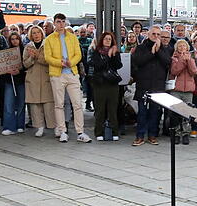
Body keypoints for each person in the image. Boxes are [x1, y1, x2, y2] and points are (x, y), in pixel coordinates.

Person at [44, 13, 91, 143]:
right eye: (58, 21)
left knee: (77, 103)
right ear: (54, 23)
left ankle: (80, 132)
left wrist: (72, 62)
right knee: (59, 104)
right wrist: (60, 62)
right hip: (57, 74)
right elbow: (48, 57)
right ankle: (62, 130)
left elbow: (78, 54)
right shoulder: (49, 39)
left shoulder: (72, 37)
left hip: (72, 73)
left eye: (63, 21)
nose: (61, 24)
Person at [131, 25, 172, 146]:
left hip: (158, 86)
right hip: (143, 84)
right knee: (142, 112)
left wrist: (158, 50)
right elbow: (138, 61)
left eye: (158, 34)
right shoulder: (141, 47)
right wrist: (151, 52)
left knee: (155, 112)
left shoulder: (165, 48)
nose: (156, 36)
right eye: (153, 34)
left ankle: (152, 135)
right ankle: (140, 136)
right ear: (148, 35)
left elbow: (167, 62)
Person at [23, 26, 57, 137]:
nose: (36, 35)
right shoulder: (28, 46)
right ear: (30, 35)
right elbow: (25, 64)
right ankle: (39, 127)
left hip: (46, 77)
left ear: (42, 34)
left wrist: (38, 56)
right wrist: (32, 58)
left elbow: (50, 61)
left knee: (49, 105)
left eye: (38, 32)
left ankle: (54, 126)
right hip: (32, 79)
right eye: (33, 33)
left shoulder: (48, 44)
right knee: (35, 105)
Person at [89, 31, 123, 141]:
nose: (107, 41)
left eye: (109, 39)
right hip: (100, 83)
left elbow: (118, 65)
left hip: (112, 83)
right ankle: (99, 132)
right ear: (101, 40)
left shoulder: (115, 52)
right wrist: (108, 56)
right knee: (100, 109)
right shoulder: (96, 52)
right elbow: (98, 66)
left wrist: (113, 55)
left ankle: (114, 131)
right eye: (105, 39)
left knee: (113, 109)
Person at [169, 39, 197, 145]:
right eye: (180, 46)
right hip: (176, 89)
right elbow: (174, 71)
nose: (182, 48)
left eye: (184, 46)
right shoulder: (174, 58)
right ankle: (176, 133)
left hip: (188, 90)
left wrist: (189, 61)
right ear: (176, 48)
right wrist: (182, 60)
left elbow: (194, 72)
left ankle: (186, 133)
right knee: (176, 112)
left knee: (187, 113)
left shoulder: (191, 58)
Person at [1, 31, 27, 135]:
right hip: (9, 80)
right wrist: (7, 70)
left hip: (21, 80)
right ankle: (9, 126)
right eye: (12, 39)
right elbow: (1, 66)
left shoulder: (24, 50)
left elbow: (27, 64)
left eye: (17, 38)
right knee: (8, 103)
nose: (15, 41)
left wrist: (19, 71)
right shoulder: (6, 51)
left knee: (21, 103)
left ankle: (20, 125)